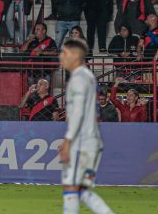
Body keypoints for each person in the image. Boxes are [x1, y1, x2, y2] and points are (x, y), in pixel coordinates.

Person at [58, 37, 115, 214]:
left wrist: (68, 140)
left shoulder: (78, 79)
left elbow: (78, 113)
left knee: (71, 189)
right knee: (81, 191)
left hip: (82, 143)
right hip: (91, 141)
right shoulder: (88, 76)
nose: (61, 57)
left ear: (74, 55)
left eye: (64, 53)